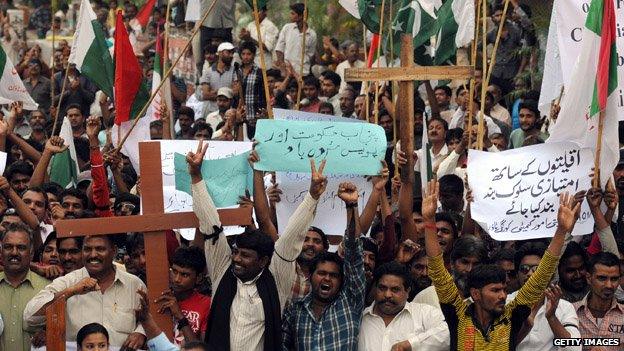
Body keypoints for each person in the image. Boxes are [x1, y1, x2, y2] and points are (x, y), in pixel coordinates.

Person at [189, 139, 324, 350]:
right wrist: (196, 177)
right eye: (236, 252)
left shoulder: (277, 278)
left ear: (263, 261)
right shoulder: (222, 269)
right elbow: (210, 224)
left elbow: (291, 237)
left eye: (245, 255)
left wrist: (312, 196)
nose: (236, 259)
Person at [424, 178, 580, 350]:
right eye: (495, 290)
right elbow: (437, 269)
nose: (503, 296)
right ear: (475, 294)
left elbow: (542, 276)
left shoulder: (512, 315)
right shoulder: (458, 314)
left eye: (505, 289)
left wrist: (561, 231)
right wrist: (429, 221)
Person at [282, 181, 366, 350]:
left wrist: (351, 206)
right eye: (321, 273)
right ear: (310, 276)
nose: (327, 278)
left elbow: (353, 250)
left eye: (334, 275)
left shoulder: (350, 301)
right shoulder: (296, 311)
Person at [24, 235, 147, 349]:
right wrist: (70, 292)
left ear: (113, 251)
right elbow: (30, 317)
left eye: (100, 249)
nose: (93, 255)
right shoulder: (68, 282)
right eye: (87, 249)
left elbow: (151, 318)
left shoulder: (134, 285)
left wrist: (141, 332)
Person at [358, 261, 450, 350]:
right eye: (382, 288)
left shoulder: (423, 313)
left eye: (395, 289)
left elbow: (448, 333)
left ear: (407, 292)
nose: (387, 295)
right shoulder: (360, 320)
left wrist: (410, 345)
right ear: (375, 289)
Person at [511, 242, 581, 351]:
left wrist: (552, 317)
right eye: (524, 268)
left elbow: (574, 348)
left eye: (536, 269)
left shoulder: (564, 307)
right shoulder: (505, 303)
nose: (529, 274)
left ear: (551, 275)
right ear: (517, 274)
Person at [0, 223, 49, 351]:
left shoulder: (47, 289)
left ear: (31, 253)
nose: (14, 252)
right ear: (1, 252)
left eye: (21, 247)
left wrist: (48, 332)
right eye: (8, 247)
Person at [157, 246, 211, 345]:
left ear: (198, 278)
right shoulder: (162, 297)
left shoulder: (206, 304)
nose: (177, 279)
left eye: (185, 275)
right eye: (174, 271)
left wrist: (179, 315)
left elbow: (199, 349)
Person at [574, 252, 624, 348]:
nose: (609, 285)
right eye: (602, 278)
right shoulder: (570, 312)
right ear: (589, 278)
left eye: (614, 279)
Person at [275, 3, 317, 76]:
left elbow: (311, 55)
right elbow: (279, 49)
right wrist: (283, 68)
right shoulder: (287, 28)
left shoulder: (312, 34)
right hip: (287, 73)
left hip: (303, 73)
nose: (290, 15)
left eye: (292, 13)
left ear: (300, 16)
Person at [197, 42, 238, 117]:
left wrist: (215, 92)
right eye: (228, 52)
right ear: (220, 53)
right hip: (211, 112)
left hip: (229, 113)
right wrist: (226, 93)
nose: (231, 55)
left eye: (232, 53)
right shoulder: (208, 71)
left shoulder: (235, 71)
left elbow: (235, 92)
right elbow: (205, 94)